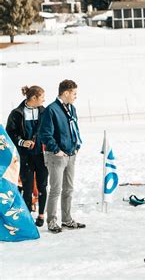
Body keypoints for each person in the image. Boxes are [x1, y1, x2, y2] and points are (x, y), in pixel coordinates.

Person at [38, 79, 85, 233]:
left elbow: (74, 128)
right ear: (66, 93)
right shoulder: (51, 110)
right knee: (56, 189)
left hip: (71, 154)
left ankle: (67, 219)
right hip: (56, 156)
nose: (75, 96)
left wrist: (76, 146)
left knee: (68, 189)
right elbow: (44, 134)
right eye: (74, 93)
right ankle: (51, 221)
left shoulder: (72, 108)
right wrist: (56, 149)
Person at [6, 86, 48, 227]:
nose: (44, 100)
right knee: (27, 188)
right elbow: (9, 134)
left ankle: (41, 215)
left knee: (42, 186)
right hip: (25, 157)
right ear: (34, 98)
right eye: (42, 97)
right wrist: (22, 142)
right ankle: (27, 217)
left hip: (42, 156)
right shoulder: (16, 113)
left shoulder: (44, 111)